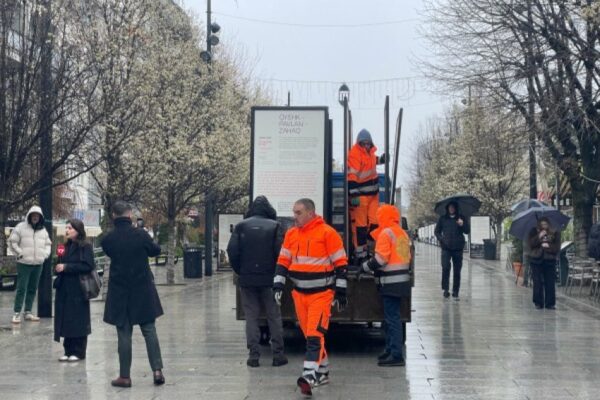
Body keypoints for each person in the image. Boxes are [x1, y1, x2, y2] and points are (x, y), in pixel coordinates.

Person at [273, 198, 348, 396]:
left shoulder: (327, 233)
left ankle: (309, 375)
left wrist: (341, 291)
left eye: (298, 213)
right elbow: (283, 260)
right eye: (294, 212)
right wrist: (278, 283)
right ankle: (323, 371)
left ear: (310, 213)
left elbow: (341, 263)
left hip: (321, 295)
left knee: (314, 336)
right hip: (299, 294)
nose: (294, 216)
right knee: (310, 335)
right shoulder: (291, 234)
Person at [101, 201, 165, 387]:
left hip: (120, 291)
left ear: (113, 216)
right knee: (149, 330)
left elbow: (111, 252)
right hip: (142, 289)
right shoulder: (141, 235)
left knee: (124, 333)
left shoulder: (108, 239)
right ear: (130, 215)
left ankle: (124, 376)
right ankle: (157, 371)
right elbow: (155, 251)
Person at [227, 196, 288, 368]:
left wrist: (241, 270)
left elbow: (232, 251)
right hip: (270, 279)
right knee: (274, 316)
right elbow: (280, 253)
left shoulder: (241, 226)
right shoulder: (275, 226)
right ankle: (278, 355)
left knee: (251, 317)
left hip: (247, 279)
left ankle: (253, 355)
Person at [361, 205, 411, 367]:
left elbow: (381, 260)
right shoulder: (401, 232)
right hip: (401, 281)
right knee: (391, 319)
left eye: (379, 215)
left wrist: (364, 267)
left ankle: (396, 355)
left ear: (384, 217)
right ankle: (390, 350)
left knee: (392, 320)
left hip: (390, 282)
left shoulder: (386, 233)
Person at [54, 219, 95, 362]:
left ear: (78, 230)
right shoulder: (64, 246)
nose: (67, 230)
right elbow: (59, 263)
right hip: (64, 288)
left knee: (78, 319)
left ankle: (78, 351)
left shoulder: (85, 246)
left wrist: (67, 267)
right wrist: (58, 266)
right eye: (66, 228)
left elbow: (88, 266)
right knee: (66, 318)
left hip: (79, 287)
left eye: (70, 228)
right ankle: (68, 350)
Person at [8, 206, 52, 324]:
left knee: (33, 288)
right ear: (30, 215)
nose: (35, 217)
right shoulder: (20, 227)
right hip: (24, 263)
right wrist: (20, 253)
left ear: (40, 217)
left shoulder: (43, 230)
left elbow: (48, 244)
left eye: (37, 215)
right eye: (33, 215)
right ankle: (16, 313)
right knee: (21, 288)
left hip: (38, 264)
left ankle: (28, 312)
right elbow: (12, 242)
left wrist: (45, 255)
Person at [347, 129, 386, 262]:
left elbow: (372, 161)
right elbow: (352, 174)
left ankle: (368, 248)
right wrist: (353, 194)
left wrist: (382, 159)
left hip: (373, 195)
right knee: (360, 226)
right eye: (364, 143)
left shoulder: (370, 154)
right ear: (360, 143)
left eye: (368, 143)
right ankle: (360, 254)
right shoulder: (355, 154)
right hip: (361, 196)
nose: (367, 145)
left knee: (375, 222)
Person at [434, 201, 470, 300]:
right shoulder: (443, 218)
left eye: (453, 207)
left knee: (457, 270)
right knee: (445, 267)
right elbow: (436, 231)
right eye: (450, 207)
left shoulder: (461, 218)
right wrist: (441, 239)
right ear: (447, 208)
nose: (451, 209)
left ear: (456, 208)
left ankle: (455, 291)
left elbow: (467, 231)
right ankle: (446, 289)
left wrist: (462, 224)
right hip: (446, 247)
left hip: (458, 248)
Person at [527, 217, 560, 309]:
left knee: (550, 282)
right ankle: (538, 302)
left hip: (549, 260)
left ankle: (550, 303)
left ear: (548, 224)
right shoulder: (534, 231)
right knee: (537, 282)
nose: (544, 226)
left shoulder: (554, 232)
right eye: (542, 224)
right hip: (536, 260)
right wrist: (539, 236)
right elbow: (531, 244)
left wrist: (548, 246)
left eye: (545, 224)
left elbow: (557, 247)